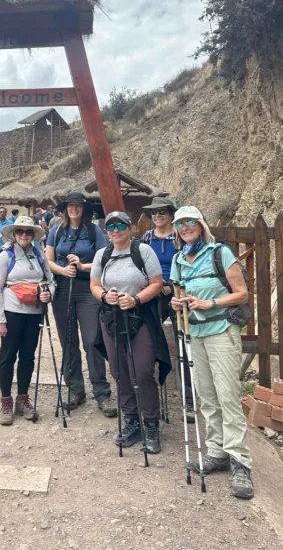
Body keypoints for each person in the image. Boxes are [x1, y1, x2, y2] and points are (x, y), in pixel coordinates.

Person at [170, 206, 253, 499]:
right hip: (194, 334)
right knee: (206, 395)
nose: (185, 227)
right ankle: (217, 451)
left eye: (190, 222)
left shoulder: (220, 253)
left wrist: (211, 303)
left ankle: (240, 462)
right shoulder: (178, 259)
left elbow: (242, 294)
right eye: (180, 224)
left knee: (228, 394)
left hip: (222, 330)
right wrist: (177, 304)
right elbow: (177, 294)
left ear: (201, 224)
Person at [91, 211, 170, 453]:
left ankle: (151, 423)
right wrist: (105, 296)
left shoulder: (143, 251)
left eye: (121, 225)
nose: (115, 230)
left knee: (143, 370)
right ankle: (132, 420)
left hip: (140, 316)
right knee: (119, 370)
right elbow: (94, 285)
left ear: (130, 228)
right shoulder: (102, 255)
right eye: (111, 226)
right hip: (112, 319)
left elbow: (157, 283)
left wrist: (135, 299)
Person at [45, 192, 116, 416]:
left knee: (91, 340)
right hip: (63, 288)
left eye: (78, 206)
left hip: (87, 289)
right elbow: (48, 260)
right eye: (70, 206)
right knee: (68, 340)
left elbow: (104, 258)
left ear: (83, 209)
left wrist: (83, 266)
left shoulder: (94, 231)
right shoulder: (56, 232)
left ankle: (101, 392)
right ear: (65, 209)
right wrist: (63, 269)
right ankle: (75, 389)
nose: (74, 209)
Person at [0, 215, 55, 425]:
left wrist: (49, 294)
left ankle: (22, 397)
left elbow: (50, 281)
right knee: (8, 355)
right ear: (14, 234)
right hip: (12, 312)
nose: (24, 235)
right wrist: (0, 319)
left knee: (28, 355)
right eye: (20, 231)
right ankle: (6, 400)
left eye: (28, 232)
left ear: (33, 235)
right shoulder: (6, 255)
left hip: (34, 312)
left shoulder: (40, 255)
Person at [141, 196, 193, 419]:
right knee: (147, 339)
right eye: (154, 212)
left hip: (177, 294)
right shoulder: (146, 238)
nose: (158, 215)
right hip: (153, 293)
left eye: (162, 211)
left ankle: (188, 400)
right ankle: (149, 394)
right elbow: (141, 264)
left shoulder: (179, 238)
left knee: (183, 343)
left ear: (171, 214)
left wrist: (170, 286)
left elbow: (188, 265)